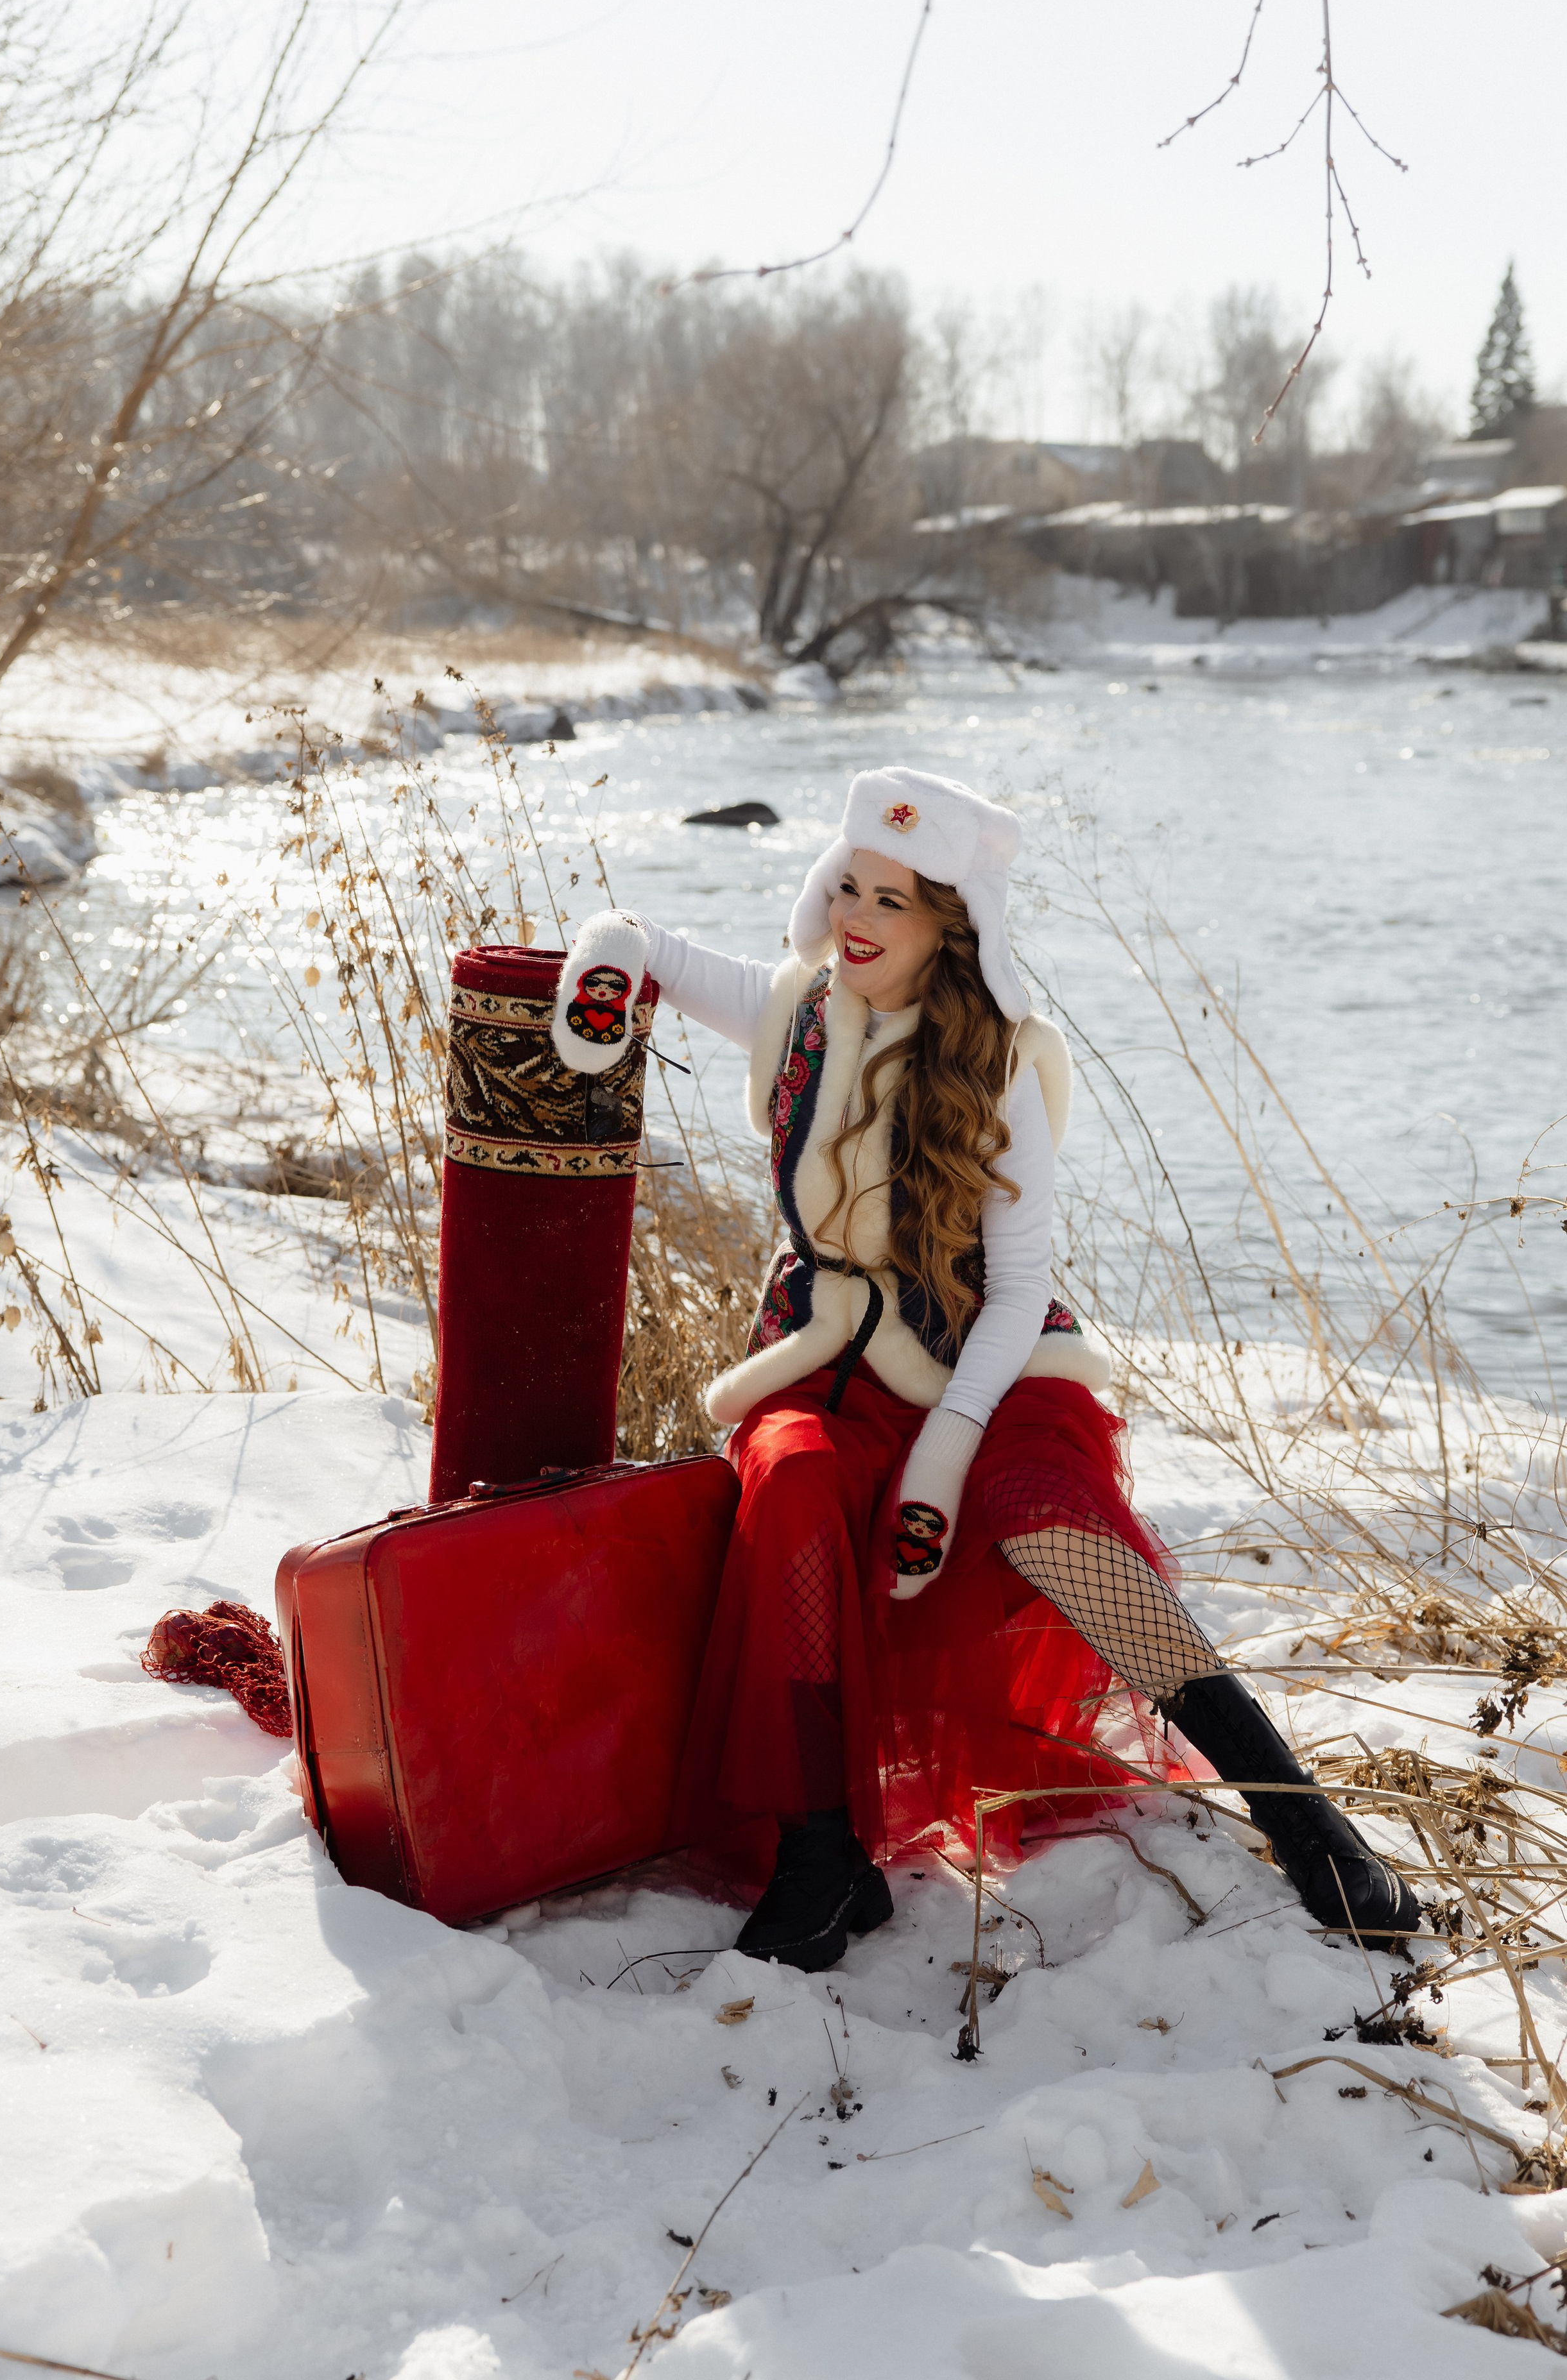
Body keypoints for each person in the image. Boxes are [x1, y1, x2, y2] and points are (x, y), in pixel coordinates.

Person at [581, 765, 1419, 1971]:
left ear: (953, 928)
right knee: (794, 1487)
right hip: (818, 1362)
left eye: (897, 903)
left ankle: (1304, 1821)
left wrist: (945, 1452)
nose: (859, 920)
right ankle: (825, 1861)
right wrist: (600, 968)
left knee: (1048, 1519)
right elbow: (639, 940)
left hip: (994, 1362)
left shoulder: (1007, 1061)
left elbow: (1020, 1289)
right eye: (850, 888)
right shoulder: (798, 1010)